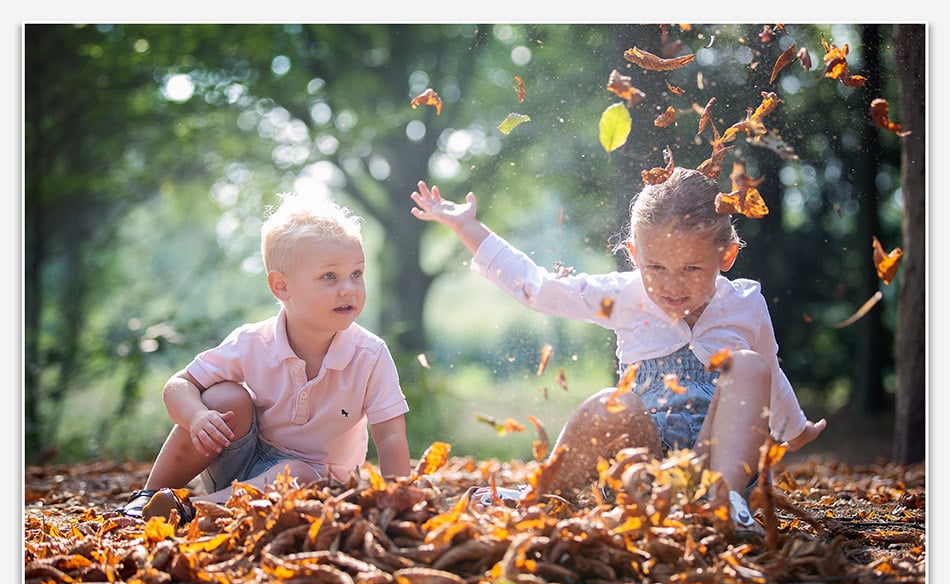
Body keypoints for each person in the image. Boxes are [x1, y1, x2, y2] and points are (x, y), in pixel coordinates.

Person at [409, 167, 827, 536]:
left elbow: (768, 369)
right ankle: (543, 492)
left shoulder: (744, 303)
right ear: (634, 255)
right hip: (639, 470)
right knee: (612, 404)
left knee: (748, 364)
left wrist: (794, 428)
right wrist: (467, 228)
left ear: (726, 255)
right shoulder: (623, 297)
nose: (672, 286)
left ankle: (724, 504)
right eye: (656, 268)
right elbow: (538, 288)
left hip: (715, 464)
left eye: (692, 269)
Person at [122, 193, 411, 524]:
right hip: (241, 460)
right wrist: (198, 417)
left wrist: (395, 500)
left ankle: (193, 510)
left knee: (298, 474)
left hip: (315, 483)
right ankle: (148, 497)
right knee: (224, 397)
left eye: (357, 274)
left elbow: (389, 436)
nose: (349, 288)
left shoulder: (369, 355)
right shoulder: (252, 342)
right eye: (330, 276)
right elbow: (179, 385)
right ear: (282, 287)